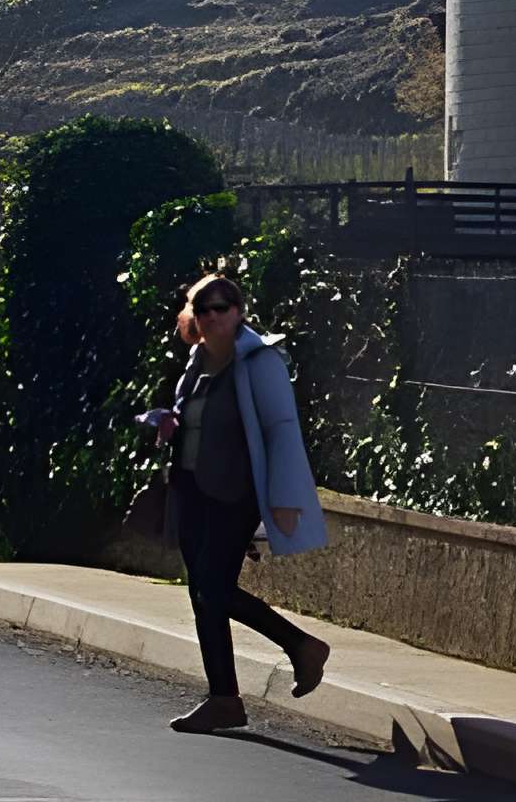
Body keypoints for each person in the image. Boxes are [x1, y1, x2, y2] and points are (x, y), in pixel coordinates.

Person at [142, 271, 331, 735]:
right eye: (202, 309)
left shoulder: (258, 360)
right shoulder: (197, 358)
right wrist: (171, 419)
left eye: (221, 307)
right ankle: (223, 699)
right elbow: (198, 417)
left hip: (236, 492)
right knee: (202, 593)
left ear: (239, 311)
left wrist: (284, 499)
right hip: (191, 487)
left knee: (212, 586)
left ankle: (301, 646)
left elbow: (281, 429)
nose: (212, 316)